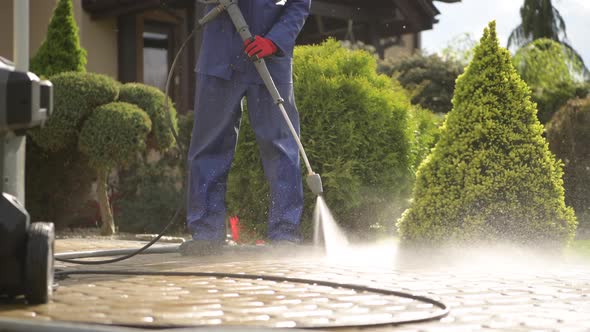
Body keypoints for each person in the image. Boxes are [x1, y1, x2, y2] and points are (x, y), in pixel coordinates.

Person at [182, 0, 311, 254]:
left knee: (281, 147)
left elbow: (298, 4)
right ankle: (207, 234)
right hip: (220, 58)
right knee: (210, 146)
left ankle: (285, 234)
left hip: (269, 60)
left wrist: (274, 41)